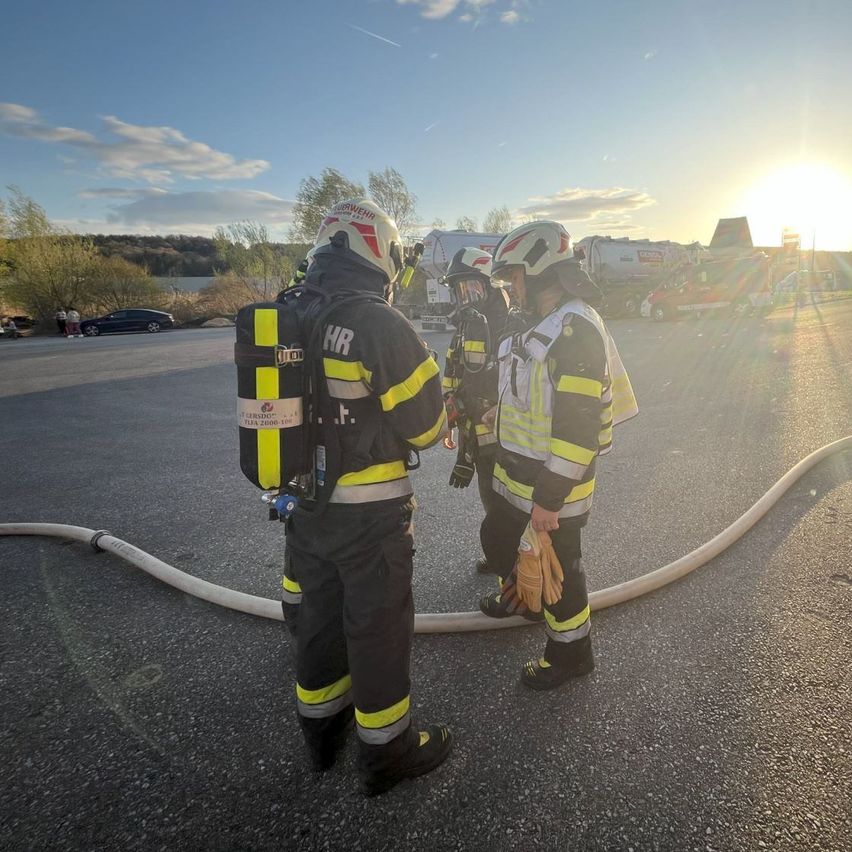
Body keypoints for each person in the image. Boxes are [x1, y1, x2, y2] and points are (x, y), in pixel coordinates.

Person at [283, 199, 453, 795]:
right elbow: (428, 431)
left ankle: (321, 730)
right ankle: (388, 753)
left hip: (304, 506)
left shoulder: (291, 311)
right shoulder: (377, 323)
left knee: (320, 620)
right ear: (379, 251)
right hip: (370, 512)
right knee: (377, 628)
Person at [478, 220, 638, 690]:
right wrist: (497, 410)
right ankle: (523, 599)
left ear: (542, 271)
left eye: (515, 278)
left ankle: (571, 653)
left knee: (560, 571)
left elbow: (577, 431)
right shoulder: (538, 324)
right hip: (518, 475)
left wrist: (549, 501)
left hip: (554, 487)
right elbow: (534, 393)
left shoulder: (576, 329)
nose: (510, 288)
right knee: (502, 537)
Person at [440, 247, 510, 573]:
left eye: (471, 289)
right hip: (477, 435)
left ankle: (514, 565)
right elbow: (453, 371)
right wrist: (449, 414)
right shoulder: (467, 327)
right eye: (459, 291)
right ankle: (501, 559)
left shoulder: (510, 326)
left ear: (491, 286)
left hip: (507, 436)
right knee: (490, 499)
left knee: (507, 504)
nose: (465, 298)